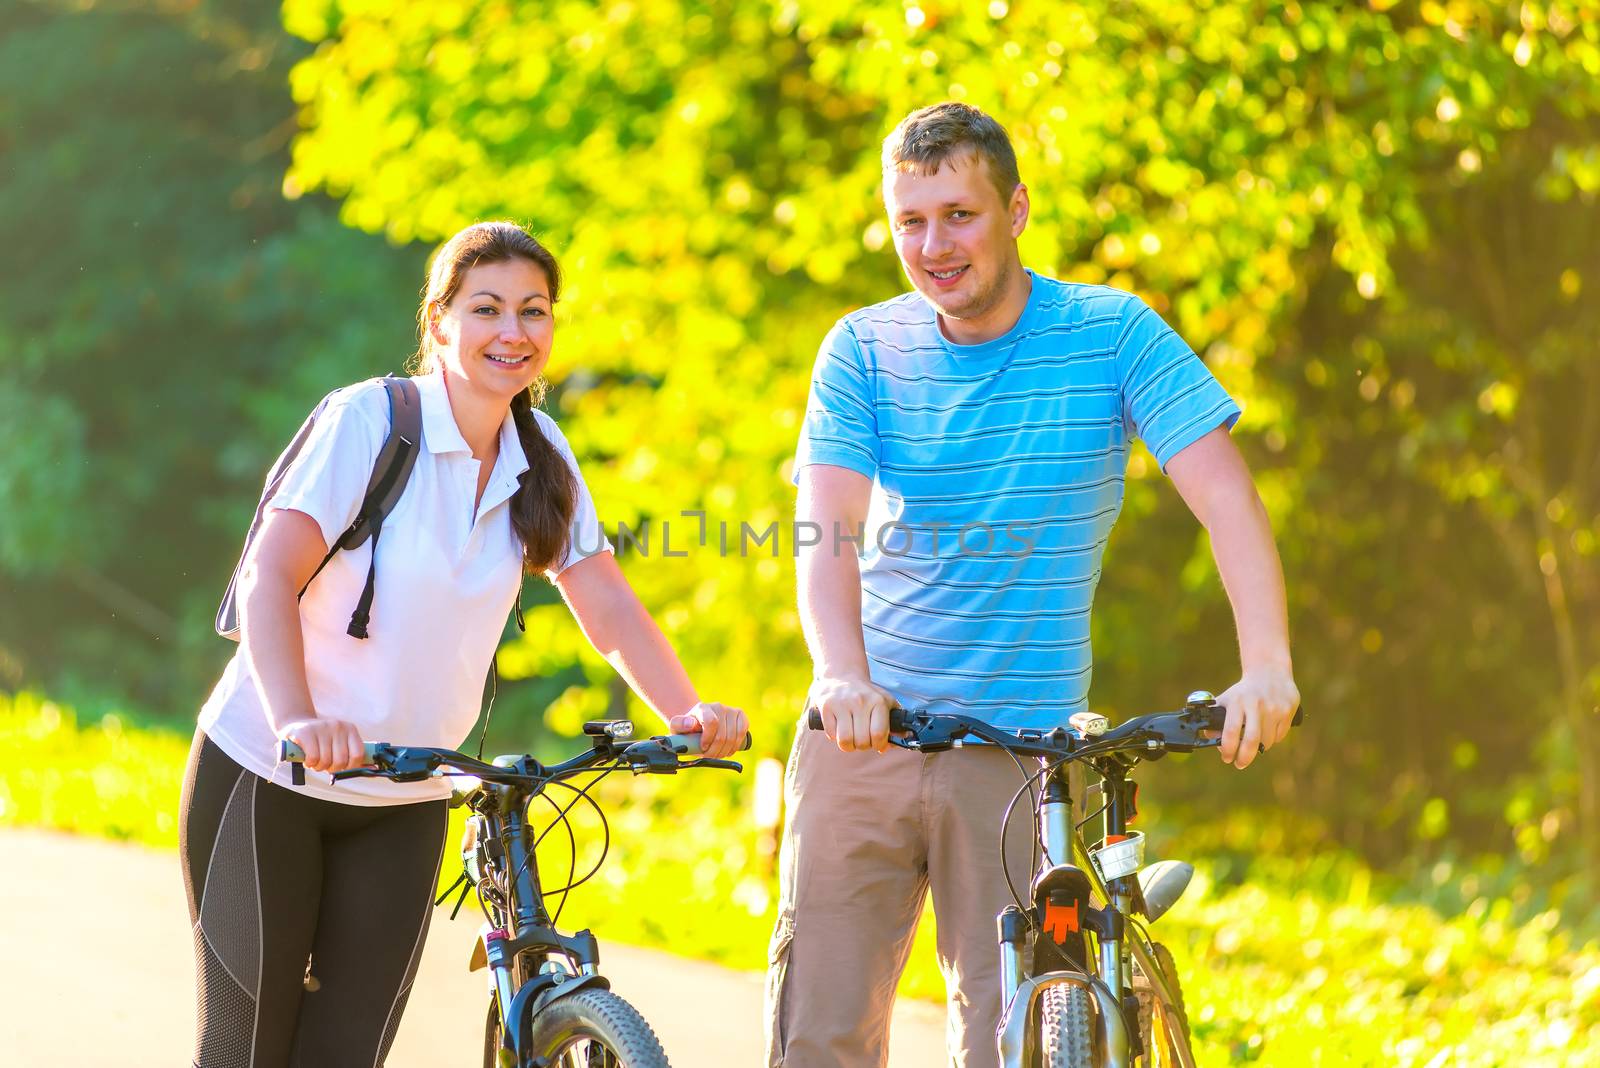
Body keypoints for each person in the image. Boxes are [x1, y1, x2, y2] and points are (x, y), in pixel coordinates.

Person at [765, 103, 1300, 1067]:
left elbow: (1228, 501)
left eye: (959, 214)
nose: (934, 246)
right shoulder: (862, 347)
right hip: (868, 732)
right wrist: (841, 672)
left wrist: (1266, 665)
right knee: (821, 1039)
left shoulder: (1111, 334)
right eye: (910, 221)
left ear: (1015, 209)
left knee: (1011, 1040)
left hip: (1021, 750)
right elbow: (826, 528)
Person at [179, 221, 747, 1066]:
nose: (513, 333)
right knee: (246, 1053)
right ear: (439, 320)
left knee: (346, 1056)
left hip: (404, 799)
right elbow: (268, 577)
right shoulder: (369, 423)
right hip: (270, 780)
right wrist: (299, 718)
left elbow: (608, 606)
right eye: (487, 309)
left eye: (534, 311)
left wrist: (686, 710)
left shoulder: (541, 454)